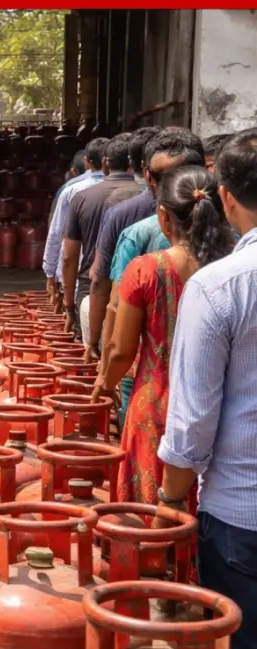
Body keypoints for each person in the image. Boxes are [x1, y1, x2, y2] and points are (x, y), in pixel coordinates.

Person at [158, 131, 257, 649]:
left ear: (225, 197)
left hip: (243, 513)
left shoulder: (220, 287)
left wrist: (171, 499)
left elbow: (192, 420)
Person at [92, 165, 232, 509]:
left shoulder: (146, 270)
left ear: (163, 216)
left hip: (156, 403)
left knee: (150, 514)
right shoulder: (232, 267)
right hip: (223, 404)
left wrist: (104, 386)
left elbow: (120, 350)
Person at [93, 132, 205, 423]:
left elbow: (116, 311)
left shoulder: (140, 240)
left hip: (150, 382)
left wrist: (105, 378)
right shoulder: (234, 244)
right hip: (214, 392)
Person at [85, 128, 188, 360]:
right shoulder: (229, 236)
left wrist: (102, 363)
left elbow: (112, 299)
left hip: (145, 356)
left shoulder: (135, 232)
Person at [63, 133, 142, 340]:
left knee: (91, 359)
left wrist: (69, 305)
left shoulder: (82, 198)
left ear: (105, 163)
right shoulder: (148, 199)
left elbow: (69, 257)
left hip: (90, 291)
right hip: (137, 295)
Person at [44, 137, 108, 303]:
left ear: (86, 162)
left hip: (80, 276)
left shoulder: (71, 190)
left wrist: (51, 273)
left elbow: (57, 234)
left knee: (79, 323)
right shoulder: (132, 191)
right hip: (114, 279)